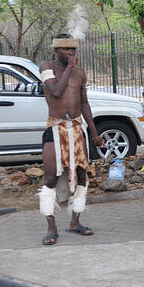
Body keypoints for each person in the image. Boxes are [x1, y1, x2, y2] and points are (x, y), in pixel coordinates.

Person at [38, 31, 105, 246]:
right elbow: (55, 92)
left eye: (74, 49)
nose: (71, 53)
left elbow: (84, 104)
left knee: (82, 176)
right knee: (50, 177)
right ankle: (51, 227)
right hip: (55, 128)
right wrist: (68, 67)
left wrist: (94, 133)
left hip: (77, 128)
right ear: (56, 50)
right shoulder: (46, 67)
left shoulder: (80, 73)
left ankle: (75, 222)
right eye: (67, 49)